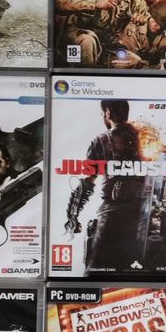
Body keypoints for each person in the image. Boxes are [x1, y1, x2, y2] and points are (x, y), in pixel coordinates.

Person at [64, 100, 147, 274]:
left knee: (95, 271)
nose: (103, 116)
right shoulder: (145, 136)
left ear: (108, 112)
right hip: (142, 213)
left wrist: (72, 216)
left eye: (103, 113)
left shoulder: (101, 140)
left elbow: (87, 182)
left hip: (113, 215)